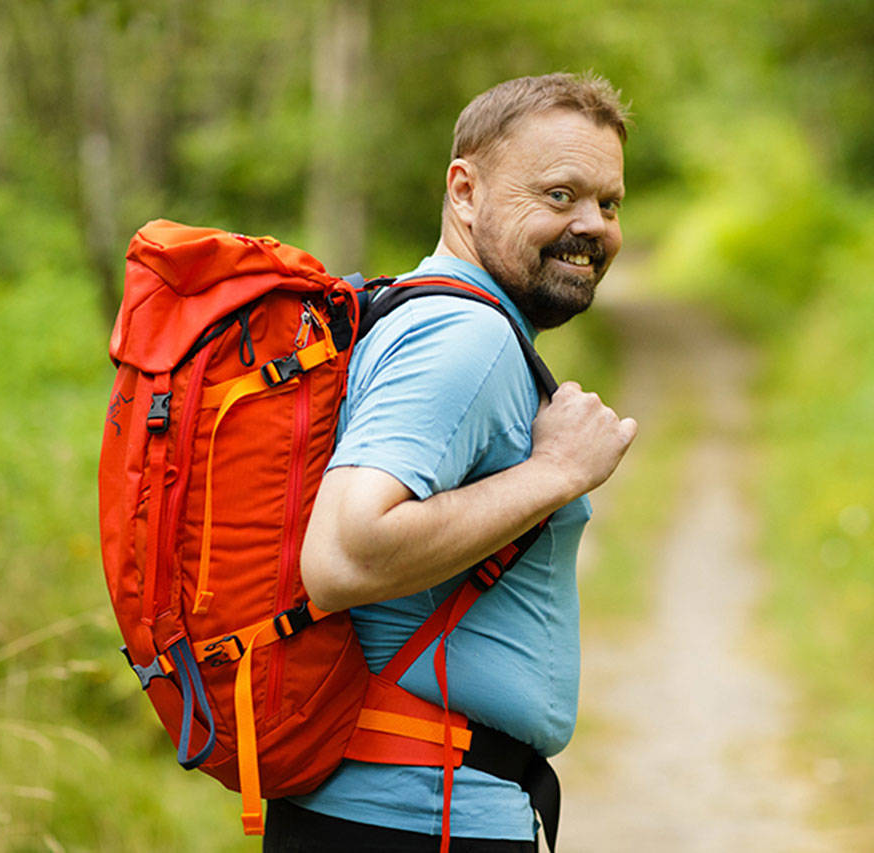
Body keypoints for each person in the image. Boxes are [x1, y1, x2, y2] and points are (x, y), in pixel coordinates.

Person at [266, 73, 638, 852]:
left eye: (608, 203)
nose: (593, 226)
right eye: (561, 194)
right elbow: (340, 556)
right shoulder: (461, 340)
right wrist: (557, 472)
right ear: (464, 191)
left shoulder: (418, 311)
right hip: (410, 816)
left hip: (395, 808)